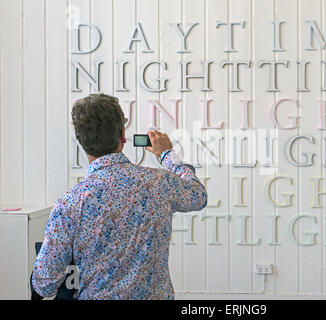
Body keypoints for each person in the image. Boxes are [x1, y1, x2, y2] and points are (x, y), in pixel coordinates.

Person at [31, 93, 207, 300]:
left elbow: (45, 283)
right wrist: (167, 154)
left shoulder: (69, 203)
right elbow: (198, 195)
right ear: (123, 135)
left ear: (81, 141)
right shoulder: (160, 183)